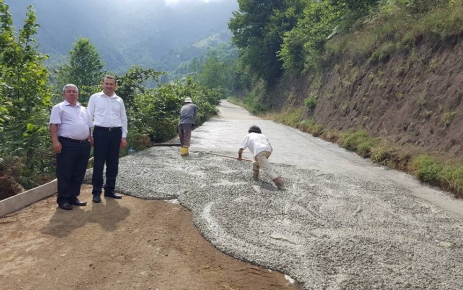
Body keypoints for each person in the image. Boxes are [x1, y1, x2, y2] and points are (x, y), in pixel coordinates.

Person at [49, 84, 92, 210]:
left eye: (74, 91)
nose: (72, 93)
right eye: (69, 91)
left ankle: (73, 197)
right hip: (67, 144)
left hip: (83, 145)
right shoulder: (59, 108)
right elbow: (53, 125)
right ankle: (63, 199)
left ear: (78, 94)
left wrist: (91, 138)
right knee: (65, 172)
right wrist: (55, 141)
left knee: (78, 172)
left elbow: (89, 126)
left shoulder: (83, 109)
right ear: (64, 94)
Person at [87, 75, 128, 203]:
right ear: (102, 84)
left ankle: (109, 190)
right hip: (100, 133)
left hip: (115, 133)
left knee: (113, 163)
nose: (109, 86)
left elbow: (123, 119)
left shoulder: (119, 100)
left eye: (111, 84)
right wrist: (90, 134)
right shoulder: (95, 98)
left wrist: (123, 136)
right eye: (107, 83)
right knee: (98, 164)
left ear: (115, 85)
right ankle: (96, 192)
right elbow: (89, 117)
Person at [237, 125, 285, 190]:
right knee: (256, 163)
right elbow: (271, 148)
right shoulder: (263, 135)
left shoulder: (248, 135)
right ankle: (255, 179)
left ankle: (281, 186)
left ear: (250, 131)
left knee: (267, 169)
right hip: (268, 151)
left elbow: (241, 149)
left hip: (259, 152)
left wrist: (239, 157)